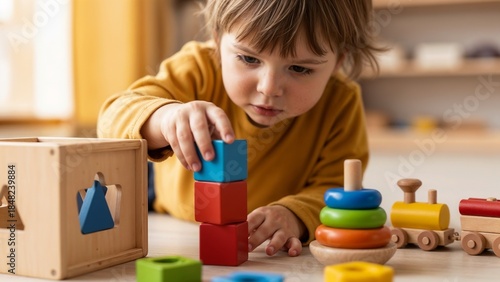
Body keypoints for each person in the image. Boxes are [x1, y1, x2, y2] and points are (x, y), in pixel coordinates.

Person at [97, 0, 382, 257]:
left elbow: (338, 191)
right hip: (164, 200)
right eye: (249, 59)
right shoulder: (197, 67)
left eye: (299, 69)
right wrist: (165, 117)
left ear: (338, 63)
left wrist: (294, 215)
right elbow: (111, 119)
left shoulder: (341, 102)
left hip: (256, 245)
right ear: (219, 40)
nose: (268, 88)